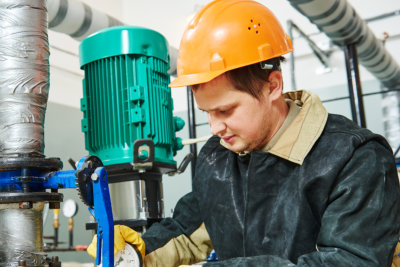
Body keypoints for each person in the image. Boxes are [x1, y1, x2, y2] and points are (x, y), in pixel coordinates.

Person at [88, 0, 400, 266]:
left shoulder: (355, 159)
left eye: (225, 111)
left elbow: (350, 260)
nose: (214, 128)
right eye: (207, 113)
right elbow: (187, 231)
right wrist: (137, 252)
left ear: (272, 86)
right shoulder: (217, 157)